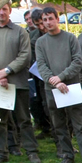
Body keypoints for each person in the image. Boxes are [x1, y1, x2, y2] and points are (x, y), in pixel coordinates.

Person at [36, 8, 82, 163]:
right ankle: (67, 154)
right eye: (45, 19)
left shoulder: (70, 38)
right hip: (52, 90)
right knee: (59, 125)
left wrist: (62, 77)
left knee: (79, 124)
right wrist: (55, 82)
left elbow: (77, 62)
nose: (48, 22)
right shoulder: (41, 42)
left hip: (71, 88)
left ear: (57, 19)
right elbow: (41, 66)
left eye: (51, 18)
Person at [0, 1, 41, 163]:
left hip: (17, 83)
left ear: (10, 11)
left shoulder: (20, 32)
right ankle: (0, 153)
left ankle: (31, 151)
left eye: (4, 9)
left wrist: (6, 71)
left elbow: (25, 56)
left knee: (24, 119)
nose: (1, 12)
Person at [29, 9, 52, 142]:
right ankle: (45, 127)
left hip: (53, 76)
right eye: (38, 25)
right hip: (37, 75)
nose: (42, 27)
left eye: (42, 23)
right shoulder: (32, 36)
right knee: (39, 103)